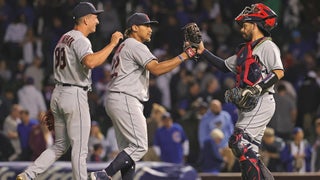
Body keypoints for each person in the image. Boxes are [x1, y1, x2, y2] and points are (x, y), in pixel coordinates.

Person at [16, 2, 123, 180]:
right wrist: (112, 45)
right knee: (80, 149)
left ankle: (28, 174)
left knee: (59, 145)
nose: (97, 20)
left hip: (59, 92)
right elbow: (90, 62)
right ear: (86, 19)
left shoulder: (63, 38)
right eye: (95, 17)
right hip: (73, 94)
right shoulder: (81, 40)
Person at [90, 12, 198, 180]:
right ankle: (103, 175)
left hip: (116, 98)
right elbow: (156, 69)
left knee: (129, 153)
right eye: (146, 25)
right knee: (140, 146)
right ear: (134, 27)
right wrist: (185, 55)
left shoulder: (124, 46)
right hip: (125, 97)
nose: (150, 30)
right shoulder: (135, 45)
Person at [196, 3, 284, 179]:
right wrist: (202, 51)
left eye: (245, 24)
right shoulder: (246, 51)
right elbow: (223, 66)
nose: (242, 29)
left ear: (256, 24)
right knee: (248, 150)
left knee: (239, 142)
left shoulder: (267, 46)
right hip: (249, 105)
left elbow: (279, 72)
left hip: (262, 100)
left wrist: (257, 88)